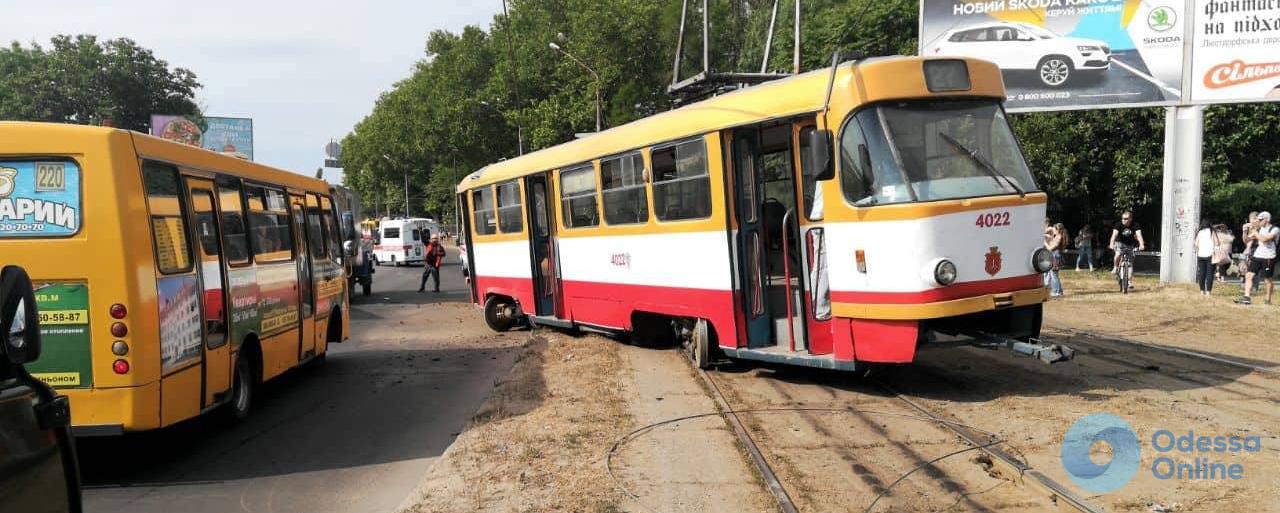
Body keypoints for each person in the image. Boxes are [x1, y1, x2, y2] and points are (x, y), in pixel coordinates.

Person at [1235, 211, 1278, 305]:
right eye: (1258, 220)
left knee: (1267, 279)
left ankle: (1267, 300)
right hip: (1257, 255)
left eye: (1260, 220)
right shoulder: (1258, 229)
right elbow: (1246, 240)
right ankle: (1247, 298)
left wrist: (1255, 232)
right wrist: (1244, 231)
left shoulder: (1275, 229)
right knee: (1248, 275)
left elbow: (1265, 239)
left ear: (1267, 219)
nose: (1258, 221)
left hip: (1268, 257)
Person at [1193, 220, 1216, 295]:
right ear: (1209, 225)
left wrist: (1201, 247)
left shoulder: (1200, 232)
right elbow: (1217, 242)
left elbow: (1195, 244)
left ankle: (1202, 291)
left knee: (1201, 273)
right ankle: (1208, 292)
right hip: (1210, 255)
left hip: (1200, 255)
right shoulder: (1212, 231)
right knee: (1209, 274)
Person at [1045, 223, 1065, 297]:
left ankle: (1057, 291)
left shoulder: (1059, 237)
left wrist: (1045, 243)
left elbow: (1050, 248)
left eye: (1054, 229)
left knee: (1054, 275)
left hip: (1055, 258)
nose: (1053, 231)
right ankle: (1057, 291)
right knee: (1054, 275)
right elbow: (1051, 238)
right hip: (1054, 257)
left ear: (1057, 230)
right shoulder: (1057, 236)